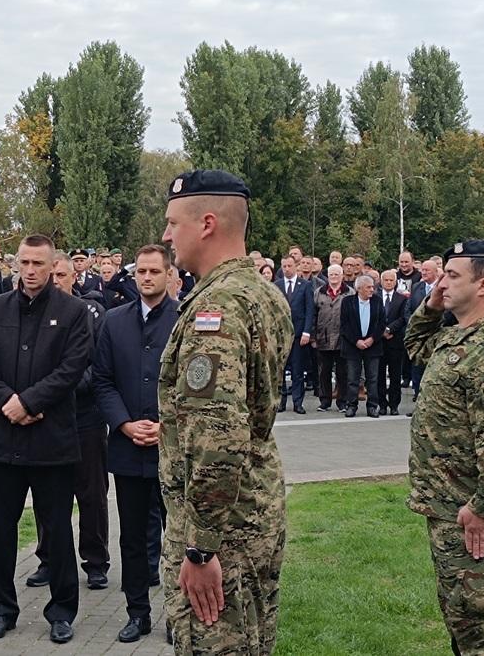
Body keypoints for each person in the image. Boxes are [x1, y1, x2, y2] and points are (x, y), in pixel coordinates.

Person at [160, 170, 293, 654]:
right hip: (255, 509)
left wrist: (200, 546)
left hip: (223, 531)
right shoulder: (262, 293)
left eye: (174, 223)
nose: (166, 235)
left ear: (207, 223)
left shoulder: (216, 307)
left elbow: (218, 437)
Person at [0, 234, 92, 644]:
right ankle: (1, 609)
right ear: (15, 264)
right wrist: (9, 402)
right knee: (0, 528)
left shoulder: (74, 312)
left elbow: (73, 367)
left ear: (52, 265)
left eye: (38, 263)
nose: (31, 270)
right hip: (3, 437)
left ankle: (61, 611)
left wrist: (32, 401)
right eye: (24, 263)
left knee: (57, 528)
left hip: (51, 438)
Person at [405, 239, 484, 656]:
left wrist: (482, 508)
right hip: (448, 510)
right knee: (460, 620)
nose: (442, 282)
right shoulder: (456, 337)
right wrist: (430, 306)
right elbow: (414, 346)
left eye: (452, 275)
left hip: (473, 517)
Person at [93, 244, 178, 643]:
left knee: (177, 536)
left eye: (154, 272)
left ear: (169, 275)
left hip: (172, 449)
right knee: (130, 536)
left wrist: (167, 425)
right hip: (127, 449)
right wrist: (124, 424)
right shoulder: (113, 321)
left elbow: (192, 385)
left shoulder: (184, 318)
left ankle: (178, 616)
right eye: (141, 272)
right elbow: (103, 380)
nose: (146, 278)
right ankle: (137, 611)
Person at [27, 252, 109, 592]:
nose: (57, 280)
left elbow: (99, 365)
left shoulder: (92, 313)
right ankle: (49, 558)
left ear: (73, 276)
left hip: (84, 416)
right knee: (47, 494)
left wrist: (61, 386)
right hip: (46, 418)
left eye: (62, 275)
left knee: (91, 493)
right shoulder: (33, 312)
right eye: (53, 275)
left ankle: (95, 561)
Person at [339, 275, 385, 417]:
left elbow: (382, 323)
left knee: (373, 379)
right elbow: (344, 325)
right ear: (359, 288)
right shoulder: (347, 302)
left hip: (373, 346)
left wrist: (372, 339)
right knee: (353, 378)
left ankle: (372, 406)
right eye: (368, 287)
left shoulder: (377, 301)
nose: (372, 290)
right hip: (353, 347)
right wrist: (356, 341)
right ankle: (351, 405)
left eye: (373, 287)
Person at [312, 264, 355, 412]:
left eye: (337, 274)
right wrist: (313, 337)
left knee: (342, 372)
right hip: (322, 338)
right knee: (324, 371)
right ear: (327, 276)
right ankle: (325, 401)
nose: (334, 277)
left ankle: (342, 401)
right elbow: (313, 315)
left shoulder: (350, 293)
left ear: (342, 276)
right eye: (331, 274)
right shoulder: (319, 292)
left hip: (343, 339)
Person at [275, 255, 314, 414]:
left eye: (289, 266)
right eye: (284, 266)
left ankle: (298, 402)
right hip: (281, 335)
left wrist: (307, 332)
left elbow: (310, 310)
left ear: (295, 266)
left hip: (299, 335)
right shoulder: (276, 285)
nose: (286, 269)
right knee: (281, 371)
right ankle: (281, 402)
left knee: (298, 371)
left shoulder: (305, 285)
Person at [405, 259, 441, 406]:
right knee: (417, 371)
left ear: (435, 272)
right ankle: (419, 403)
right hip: (419, 339)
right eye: (422, 270)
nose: (423, 272)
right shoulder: (417, 286)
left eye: (427, 270)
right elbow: (408, 309)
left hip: (435, 337)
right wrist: (414, 326)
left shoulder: (442, 288)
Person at [377, 270, 408, 416]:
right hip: (378, 342)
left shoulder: (401, 299)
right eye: (386, 280)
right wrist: (381, 331)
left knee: (395, 375)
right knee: (379, 375)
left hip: (395, 342)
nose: (388, 282)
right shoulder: (375, 297)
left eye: (391, 280)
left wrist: (390, 329)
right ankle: (381, 404)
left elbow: (403, 318)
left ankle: (394, 404)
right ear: (381, 281)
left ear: (395, 282)